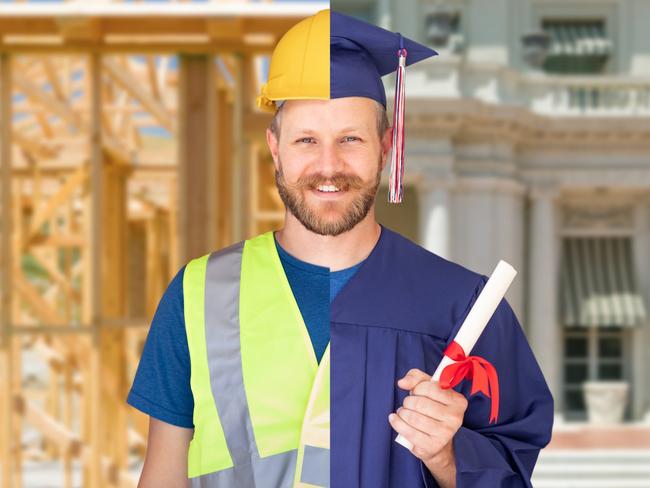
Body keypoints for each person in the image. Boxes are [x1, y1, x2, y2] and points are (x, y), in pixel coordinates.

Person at [126, 8, 554, 488]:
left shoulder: (462, 304)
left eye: (350, 139)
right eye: (306, 139)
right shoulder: (198, 294)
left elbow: (513, 468)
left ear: (385, 145)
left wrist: (450, 456)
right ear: (275, 148)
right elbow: (163, 473)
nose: (328, 166)